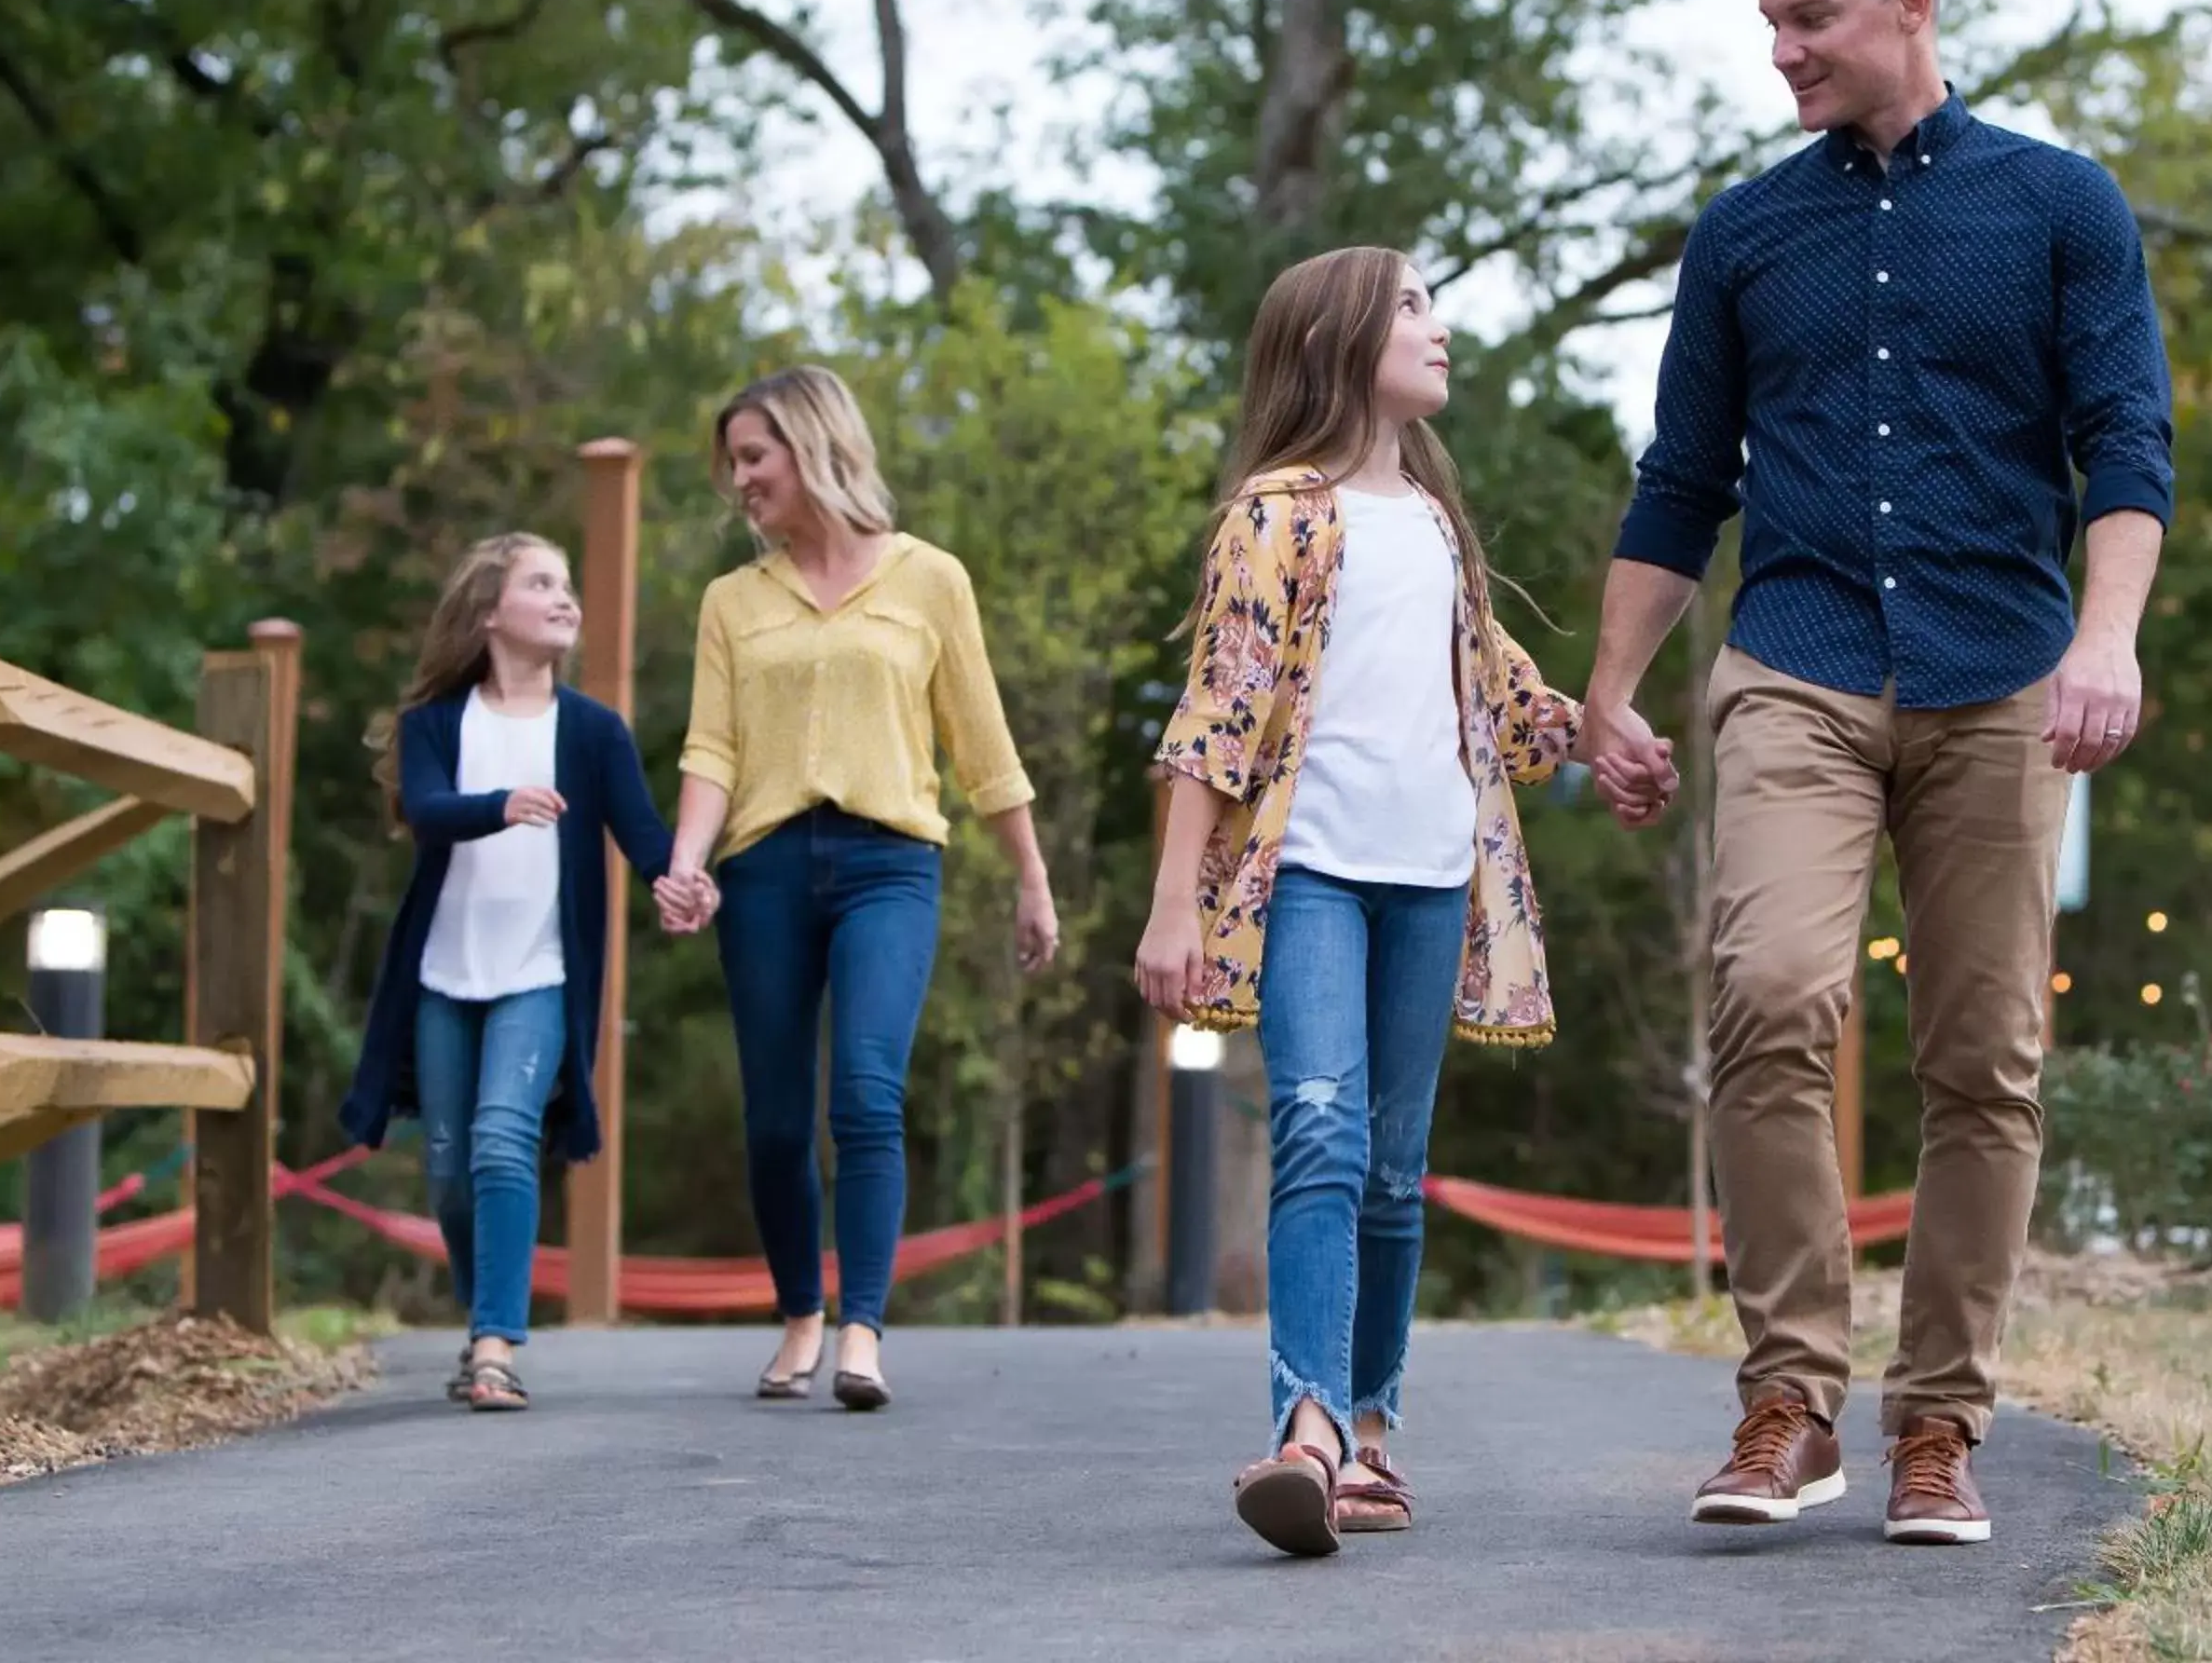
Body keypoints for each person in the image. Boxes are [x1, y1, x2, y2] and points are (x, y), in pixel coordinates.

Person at [1581, 0, 2175, 1546]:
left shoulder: (2063, 207)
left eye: (1809, 19)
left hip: (2003, 674)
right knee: (1769, 993)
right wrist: (1610, 692)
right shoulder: (1747, 232)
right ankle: (1787, 1402)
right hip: (1800, 657)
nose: (1783, 53)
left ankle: (1939, 1427)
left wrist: (2107, 638)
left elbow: (2125, 444)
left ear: (1910, 4)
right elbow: (1683, 479)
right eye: (1771, 24)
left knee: (1986, 1057)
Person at [1138, 247, 1584, 1559]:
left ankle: (1371, 1432)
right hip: (1316, 875)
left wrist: (1603, 737)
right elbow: (1217, 718)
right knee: (1319, 1136)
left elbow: (1501, 699)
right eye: (1410, 308)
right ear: (1338, 340)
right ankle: (1309, 1430)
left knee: (1394, 1174)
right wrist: (1174, 906)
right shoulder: (1276, 515)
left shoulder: (1440, 527)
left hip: (1436, 876)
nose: (1437, 332)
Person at [668, 364, 1059, 1413]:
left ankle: (862, 1328)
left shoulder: (930, 578)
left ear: (811, 447)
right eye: (734, 464)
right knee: (778, 1117)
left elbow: (982, 741)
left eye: (754, 457)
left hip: (890, 863)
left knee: (868, 1092)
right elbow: (711, 746)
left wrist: (1031, 876)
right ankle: (801, 1310)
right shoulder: (732, 602)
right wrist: (687, 859)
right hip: (763, 870)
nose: (740, 481)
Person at [342, 532, 712, 1411]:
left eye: (568, 584)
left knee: (505, 1140)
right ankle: (487, 1312)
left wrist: (686, 884)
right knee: (445, 1166)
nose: (565, 597)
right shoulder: (436, 727)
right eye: (541, 583)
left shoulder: (591, 732)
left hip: (542, 974)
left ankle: (496, 1344)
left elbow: (647, 842)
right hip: (442, 975)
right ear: (486, 612)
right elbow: (428, 811)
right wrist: (501, 806)